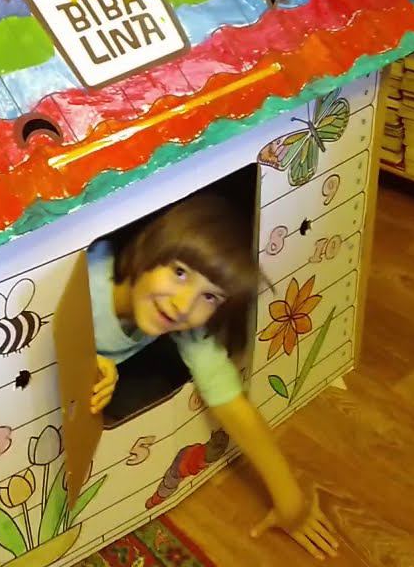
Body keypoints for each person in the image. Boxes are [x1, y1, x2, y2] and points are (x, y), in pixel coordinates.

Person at [87, 193, 340, 560]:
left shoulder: (179, 318)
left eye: (210, 297)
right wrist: (84, 359)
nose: (183, 304)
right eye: (179, 272)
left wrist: (291, 502)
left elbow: (230, 401)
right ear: (146, 246)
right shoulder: (90, 281)